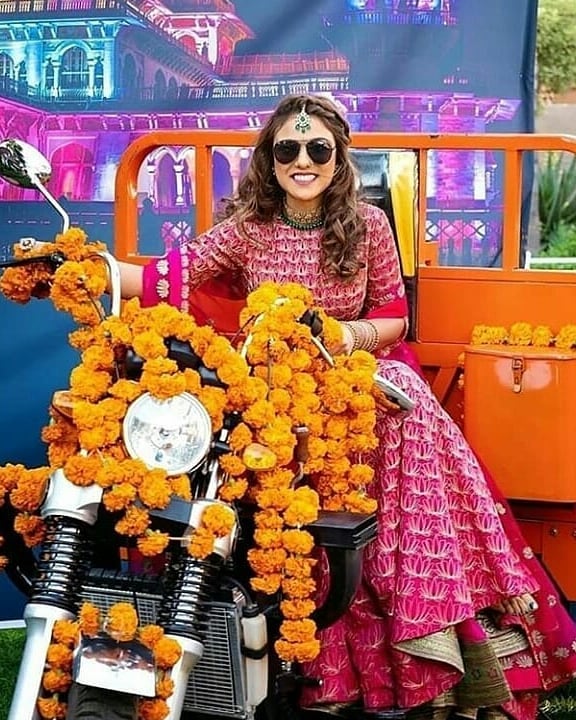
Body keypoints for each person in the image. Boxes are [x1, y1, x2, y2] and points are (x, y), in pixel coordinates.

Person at [116, 94, 576, 720]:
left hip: (354, 374)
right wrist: (99, 269)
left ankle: (429, 632)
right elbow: (172, 273)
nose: (302, 161)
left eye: (316, 149)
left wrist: (342, 335)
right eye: (287, 149)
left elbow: (393, 316)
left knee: (405, 406)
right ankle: (294, 665)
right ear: (269, 160)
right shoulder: (248, 227)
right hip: (274, 389)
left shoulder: (368, 225)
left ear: (337, 157)